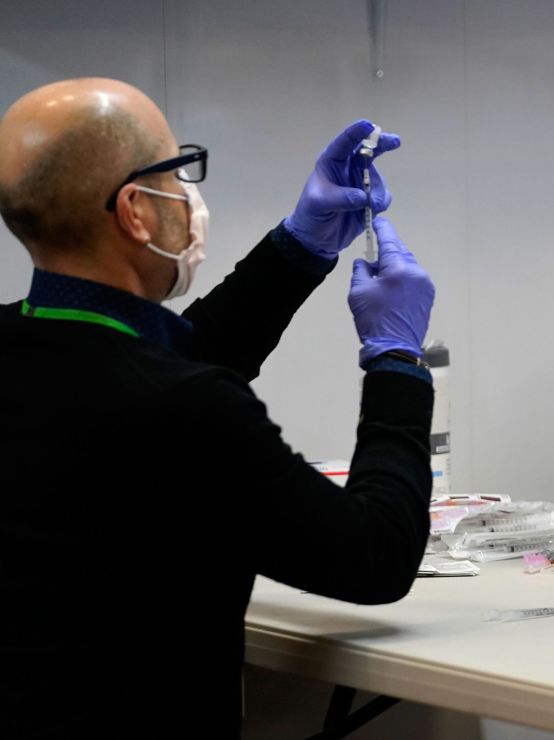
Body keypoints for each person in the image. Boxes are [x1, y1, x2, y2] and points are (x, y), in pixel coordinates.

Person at [0, 78, 436, 738]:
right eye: (177, 170)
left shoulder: (39, 348)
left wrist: (301, 247)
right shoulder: (188, 411)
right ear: (135, 210)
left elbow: (158, 363)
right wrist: (397, 362)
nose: (188, 194)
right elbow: (376, 554)